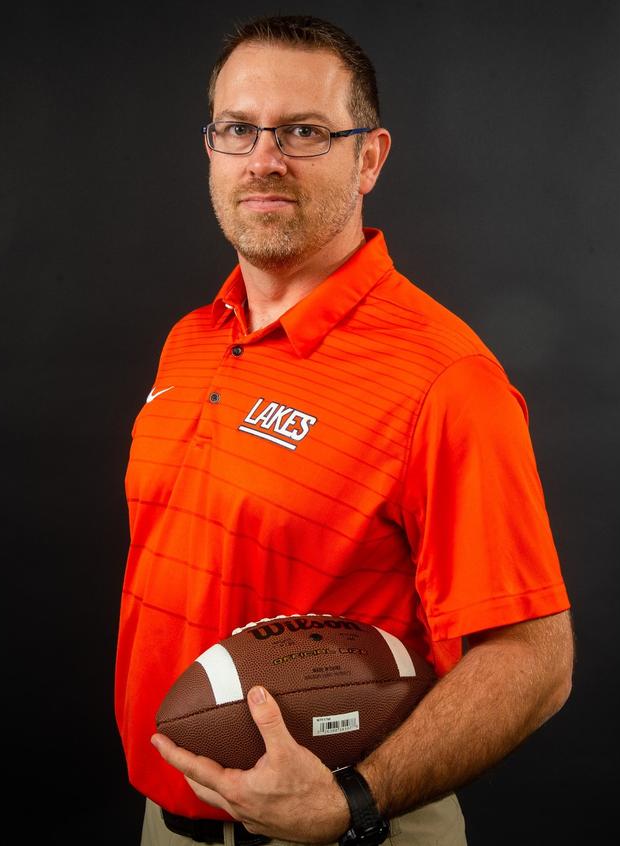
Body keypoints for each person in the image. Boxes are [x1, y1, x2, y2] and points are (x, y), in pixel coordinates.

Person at [115, 15, 574, 846]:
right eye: (238, 129)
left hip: (346, 826)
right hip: (168, 821)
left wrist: (349, 801)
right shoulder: (190, 341)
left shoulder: (442, 377)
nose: (264, 159)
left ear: (370, 157)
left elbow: (535, 662)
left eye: (303, 131)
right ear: (211, 147)